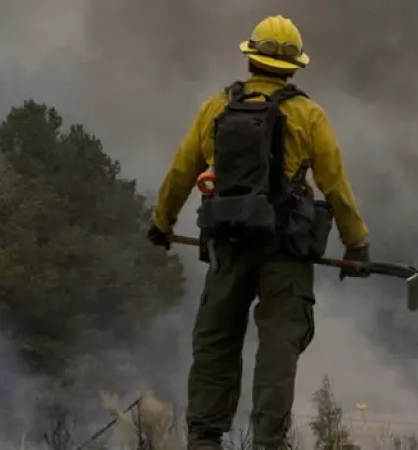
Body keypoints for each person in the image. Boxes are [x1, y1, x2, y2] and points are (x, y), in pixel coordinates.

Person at [147, 15, 370, 450]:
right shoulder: (308, 114)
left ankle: (205, 438)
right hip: (285, 250)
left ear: (250, 58)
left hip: (228, 243)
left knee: (216, 341)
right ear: (293, 67)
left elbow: (181, 171)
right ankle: (268, 442)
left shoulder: (216, 108)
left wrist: (162, 223)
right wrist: (356, 243)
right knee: (277, 349)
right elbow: (335, 186)